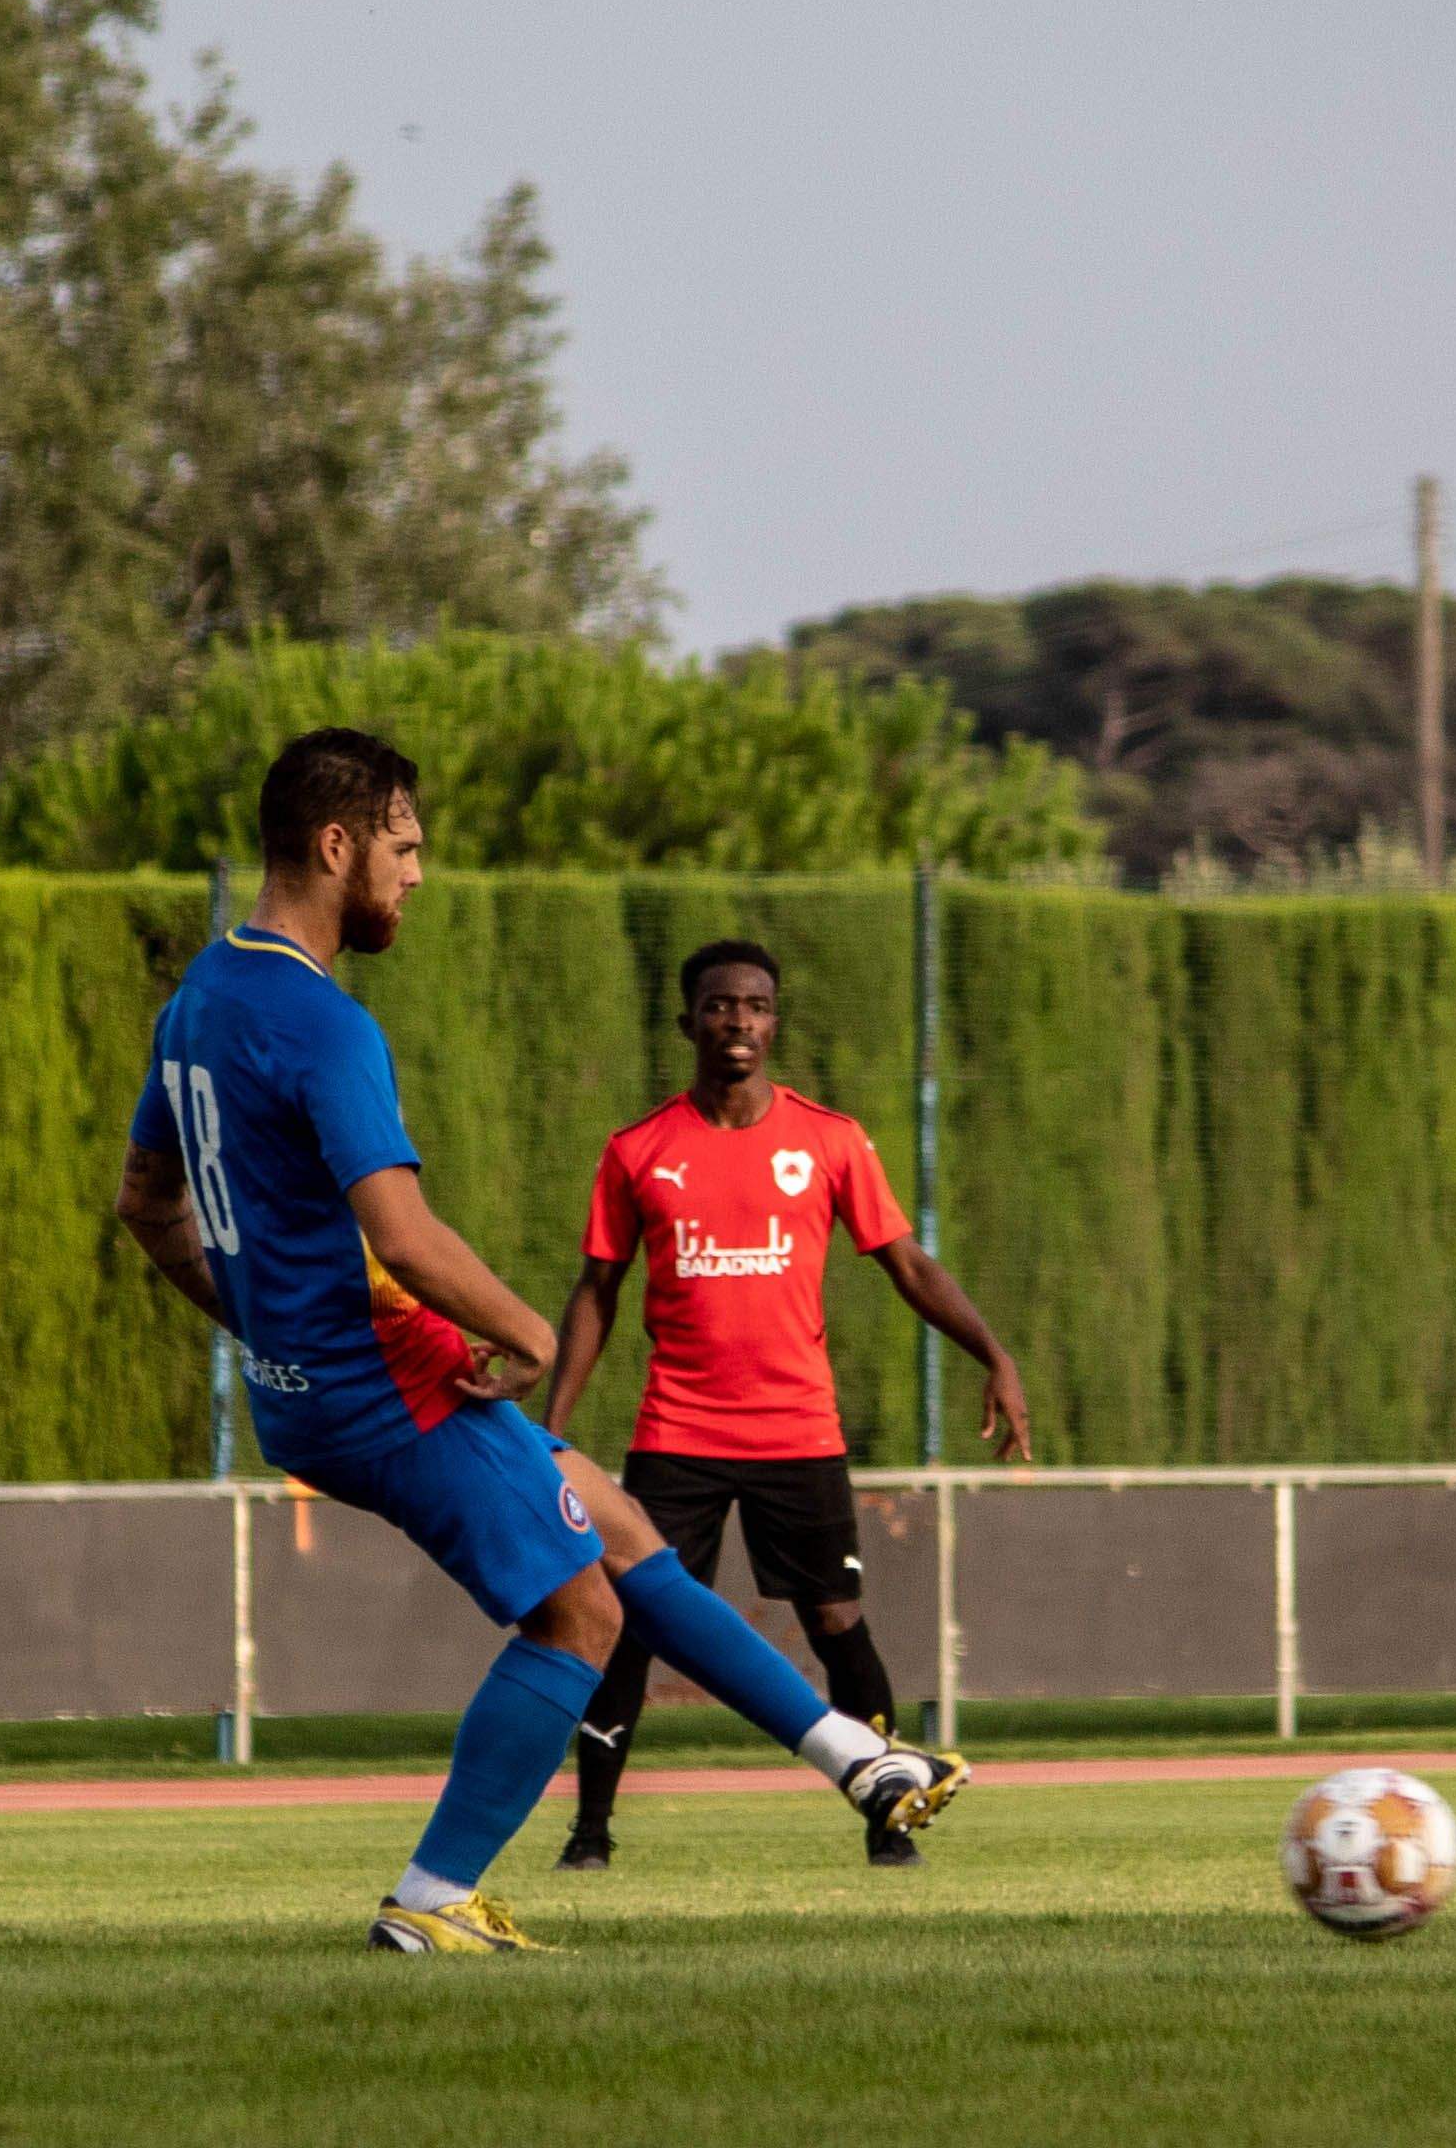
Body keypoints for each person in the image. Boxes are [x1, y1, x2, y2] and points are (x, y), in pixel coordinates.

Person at [114, 727, 966, 1956]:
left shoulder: (199, 998)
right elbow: (404, 1238)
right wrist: (521, 1331)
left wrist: (266, 1323)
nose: (417, 874)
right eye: (404, 848)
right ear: (338, 845)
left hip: (302, 1389)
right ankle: (432, 1897)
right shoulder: (324, 1024)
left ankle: (860, 1761)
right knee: (580, 1618)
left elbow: (147, 1205)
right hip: (386, 1383)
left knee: (616, 1527)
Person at [543, 938, 1033, 1869]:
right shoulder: (638, 1151)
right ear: (687, 1022)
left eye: (758, 1006)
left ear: (775, 1024)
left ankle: (890, 1823)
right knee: (628, 1620)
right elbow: (596, 1291)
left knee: (836, 1622)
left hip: (797, 1433)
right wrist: (553, 1432)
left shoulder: (829, 1141)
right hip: (677, 1432)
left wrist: (994, 1354)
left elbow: (907, 1263)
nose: (740, 1020)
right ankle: (590, 1835)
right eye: (721, 1005)